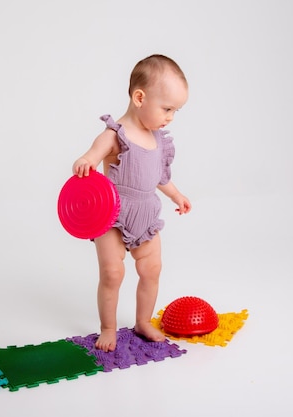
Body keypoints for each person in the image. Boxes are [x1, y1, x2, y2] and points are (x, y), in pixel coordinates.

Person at [72, 54, 192, 352]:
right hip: (111, 215)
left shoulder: (158, 140)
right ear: (140, 97)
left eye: (176, 110)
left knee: (152, 269)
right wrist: (85, 161)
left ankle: (143, 321)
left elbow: (158, 176)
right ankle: (108, 328)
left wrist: (176, 194)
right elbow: (93, 153)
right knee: (113, 273)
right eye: (167, 108)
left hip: (145, 216)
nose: (170, 117)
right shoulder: (116, 134)